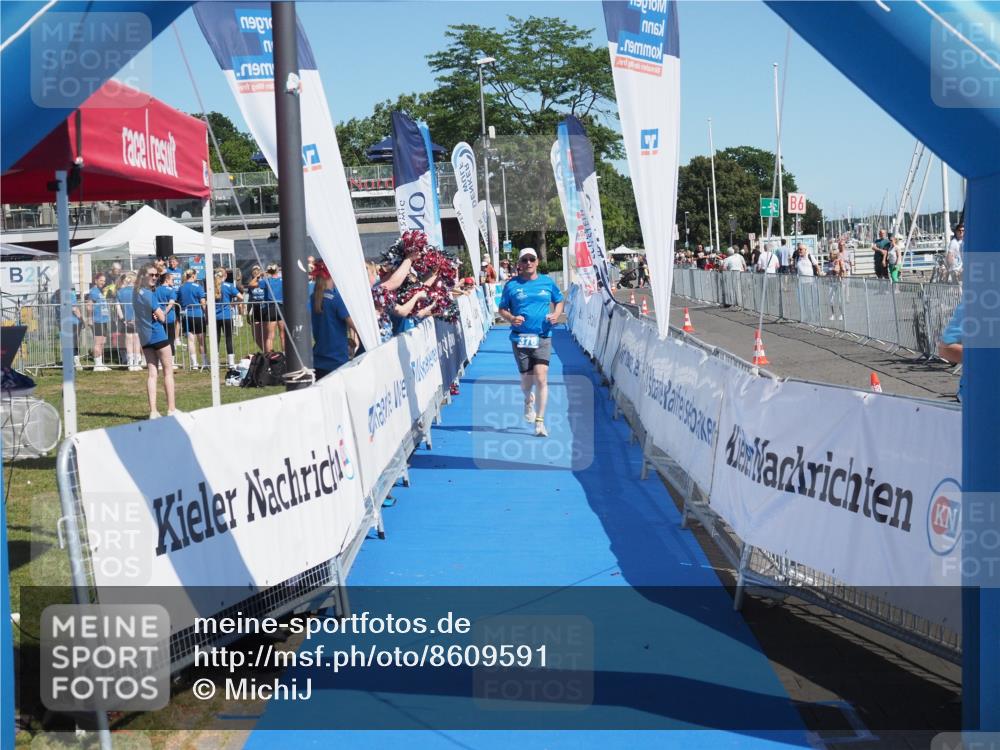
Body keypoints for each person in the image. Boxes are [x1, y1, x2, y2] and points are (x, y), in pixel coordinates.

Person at [498, 247, 564, 438]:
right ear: (519, 263)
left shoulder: (547, 282)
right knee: (527, 381)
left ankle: (540, 422)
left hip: (543, 336)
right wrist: (511, 318)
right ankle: (528, 400)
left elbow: (559, 301)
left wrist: (557, 314)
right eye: (524, 260)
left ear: (537, 262)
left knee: (541, 377)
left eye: (531, 259)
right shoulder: (511, 286)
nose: (528, 263)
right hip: (520, 338)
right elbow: (502, 309)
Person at [133, 264, 177, 418]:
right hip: (157, 335)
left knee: (152, 374)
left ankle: (153, 411)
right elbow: (163, 317)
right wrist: (158, 314)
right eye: (151, 275)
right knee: (168, 371)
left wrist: (153, 313)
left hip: (145, 338)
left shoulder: (135, 293)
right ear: (143, 276)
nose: (154, 278)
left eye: (156, 275)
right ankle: (171, 408)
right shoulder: (149, 294)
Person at [310, 261, 357, 379]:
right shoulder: (335, 299)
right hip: (337, 360)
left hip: (319, 359)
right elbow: (356, 326)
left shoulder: (313, 297)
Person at [177, 269, 206, 369]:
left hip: (186, 316)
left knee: (190, 340)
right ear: (193, 276)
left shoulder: (181, 287)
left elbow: (179, 300)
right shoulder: (198, 287)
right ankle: (204, 362)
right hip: (198, 315)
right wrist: (206, 313)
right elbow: (203, 302)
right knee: (201, 340)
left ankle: (194, 363)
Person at [214, 268, 241, 369]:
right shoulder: (229, 286)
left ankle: (215, 363)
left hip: (215, 317)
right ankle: (231, 363)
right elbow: (241, 297)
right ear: (225, 276)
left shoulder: (212, 286)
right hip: (227, 316)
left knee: (216, 340)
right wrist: (233, 304)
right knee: (228, 339)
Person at [115, 273, 143, 371]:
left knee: (129, 341)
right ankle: (136, 362)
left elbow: (117, 307)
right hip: (136, 319)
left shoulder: (119, 291)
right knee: (136, 340)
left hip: (126, 320)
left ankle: (130, 363)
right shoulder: (138, 291)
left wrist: (123, 319)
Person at [86, 273, 111, 371]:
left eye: (104, 281)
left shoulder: (100, 291)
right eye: (101, 280)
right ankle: (97, 364)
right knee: (98, 342)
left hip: (104, 319)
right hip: (97, 320)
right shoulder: (93, 291)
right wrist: (89, 318)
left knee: (102, 342)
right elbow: (89, 306)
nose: (103, 283)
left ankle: (100, 363)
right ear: (95, 280)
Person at [156, 272, 179, 368]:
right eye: (172, 279)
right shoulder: (171, 290)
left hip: (158, 318)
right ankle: (171, 362)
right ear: (166, 280)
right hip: (168, 318)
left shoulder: (156, 290)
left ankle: (161, 363)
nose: (173, 281)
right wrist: (164, 313)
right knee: (170, 340)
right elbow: (171, 303)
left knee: (160, 341)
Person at [262, 264, 285, 353]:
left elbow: (252, 284)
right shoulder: (282, 280)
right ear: (278, 271)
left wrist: (260, 275)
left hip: (271, 307)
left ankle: (269, 357)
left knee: (270, 336)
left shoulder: (266, 280)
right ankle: (285, 356)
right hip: (281, 306)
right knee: (283, 335)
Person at [245, 265, 268, 351]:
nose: (255, 273)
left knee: (265, 334)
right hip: (255, 309)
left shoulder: (264, 282)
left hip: (264, 309)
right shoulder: (251, 283)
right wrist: (247, 312)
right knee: (256, 336)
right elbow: (250, 298)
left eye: (257, 271)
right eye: (254, 272)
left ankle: (267, 352)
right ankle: (266, 351)